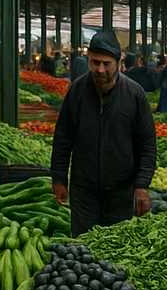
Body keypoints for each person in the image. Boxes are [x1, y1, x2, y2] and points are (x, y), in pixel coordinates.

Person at [50, 30, 156, 236]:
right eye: (94, 62)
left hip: (121, 192)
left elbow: (147, 144)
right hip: (83, 190)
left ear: (118, 62)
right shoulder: (77, 91)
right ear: (88, 60)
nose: (99, 69)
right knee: (83, 248)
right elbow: (63, 137)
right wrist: (59, 178)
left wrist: (142, 185)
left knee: (116, 248)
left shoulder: (135, 94)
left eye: (106, 64)